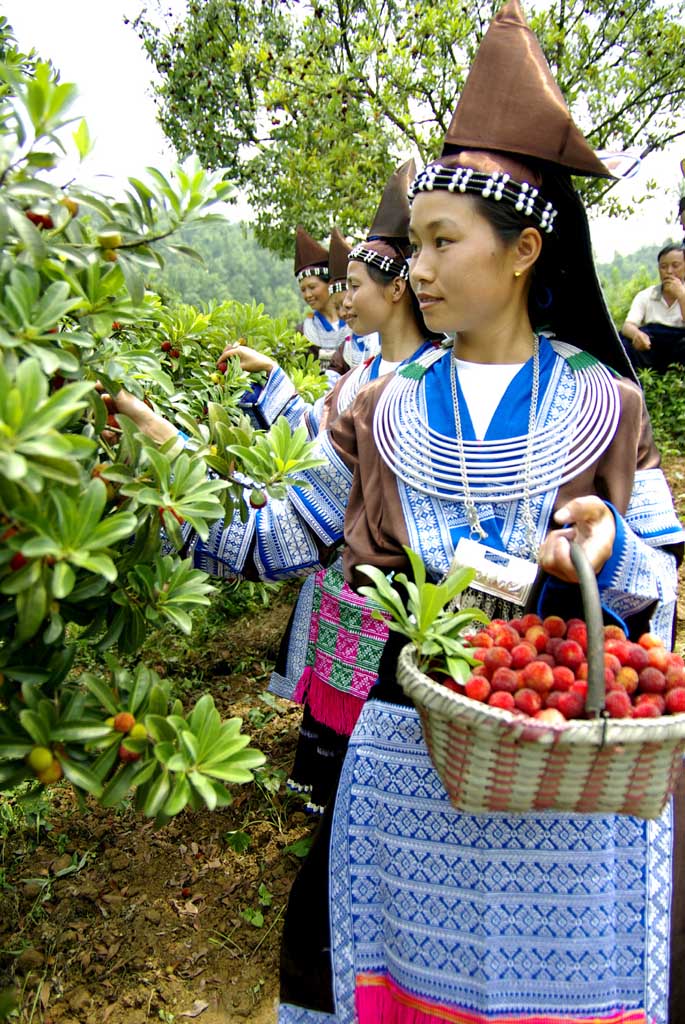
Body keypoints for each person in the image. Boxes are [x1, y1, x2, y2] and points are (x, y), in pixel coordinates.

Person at [111, 4, 684, 1015]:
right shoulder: (377, 406)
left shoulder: (607, 402)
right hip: (403, 750)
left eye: (439, 242)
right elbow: (288, 537)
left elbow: (659, 583)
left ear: (521, 253)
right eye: (412, 245)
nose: (414, 269)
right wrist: (168, 478)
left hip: (557, 759)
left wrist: (612, 550)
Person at [218, 160, 443, 814]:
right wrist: (273, 383)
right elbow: (323, 449)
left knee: (371, 701)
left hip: (386, 582)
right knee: (337, 685)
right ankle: (323, 792)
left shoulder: (420, 379)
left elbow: (334, 470)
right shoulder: (365, 369)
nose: (343, 300)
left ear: (396, 289)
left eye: (352, 285)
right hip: (340, 567)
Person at [621, 243, 685, 372]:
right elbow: (627, 326)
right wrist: (637, 335)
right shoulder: (646, 295)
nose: (669, 271)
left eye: (675, 265)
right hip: (651, 348)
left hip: (680, 346)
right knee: (623, 342)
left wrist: (681, 295)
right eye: (663, 267)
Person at [294, 225, 347, 371]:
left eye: (312, 287)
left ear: (329, 282)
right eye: (303, 290)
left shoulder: (356, 321)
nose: (307, 295)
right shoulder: (303, 332)